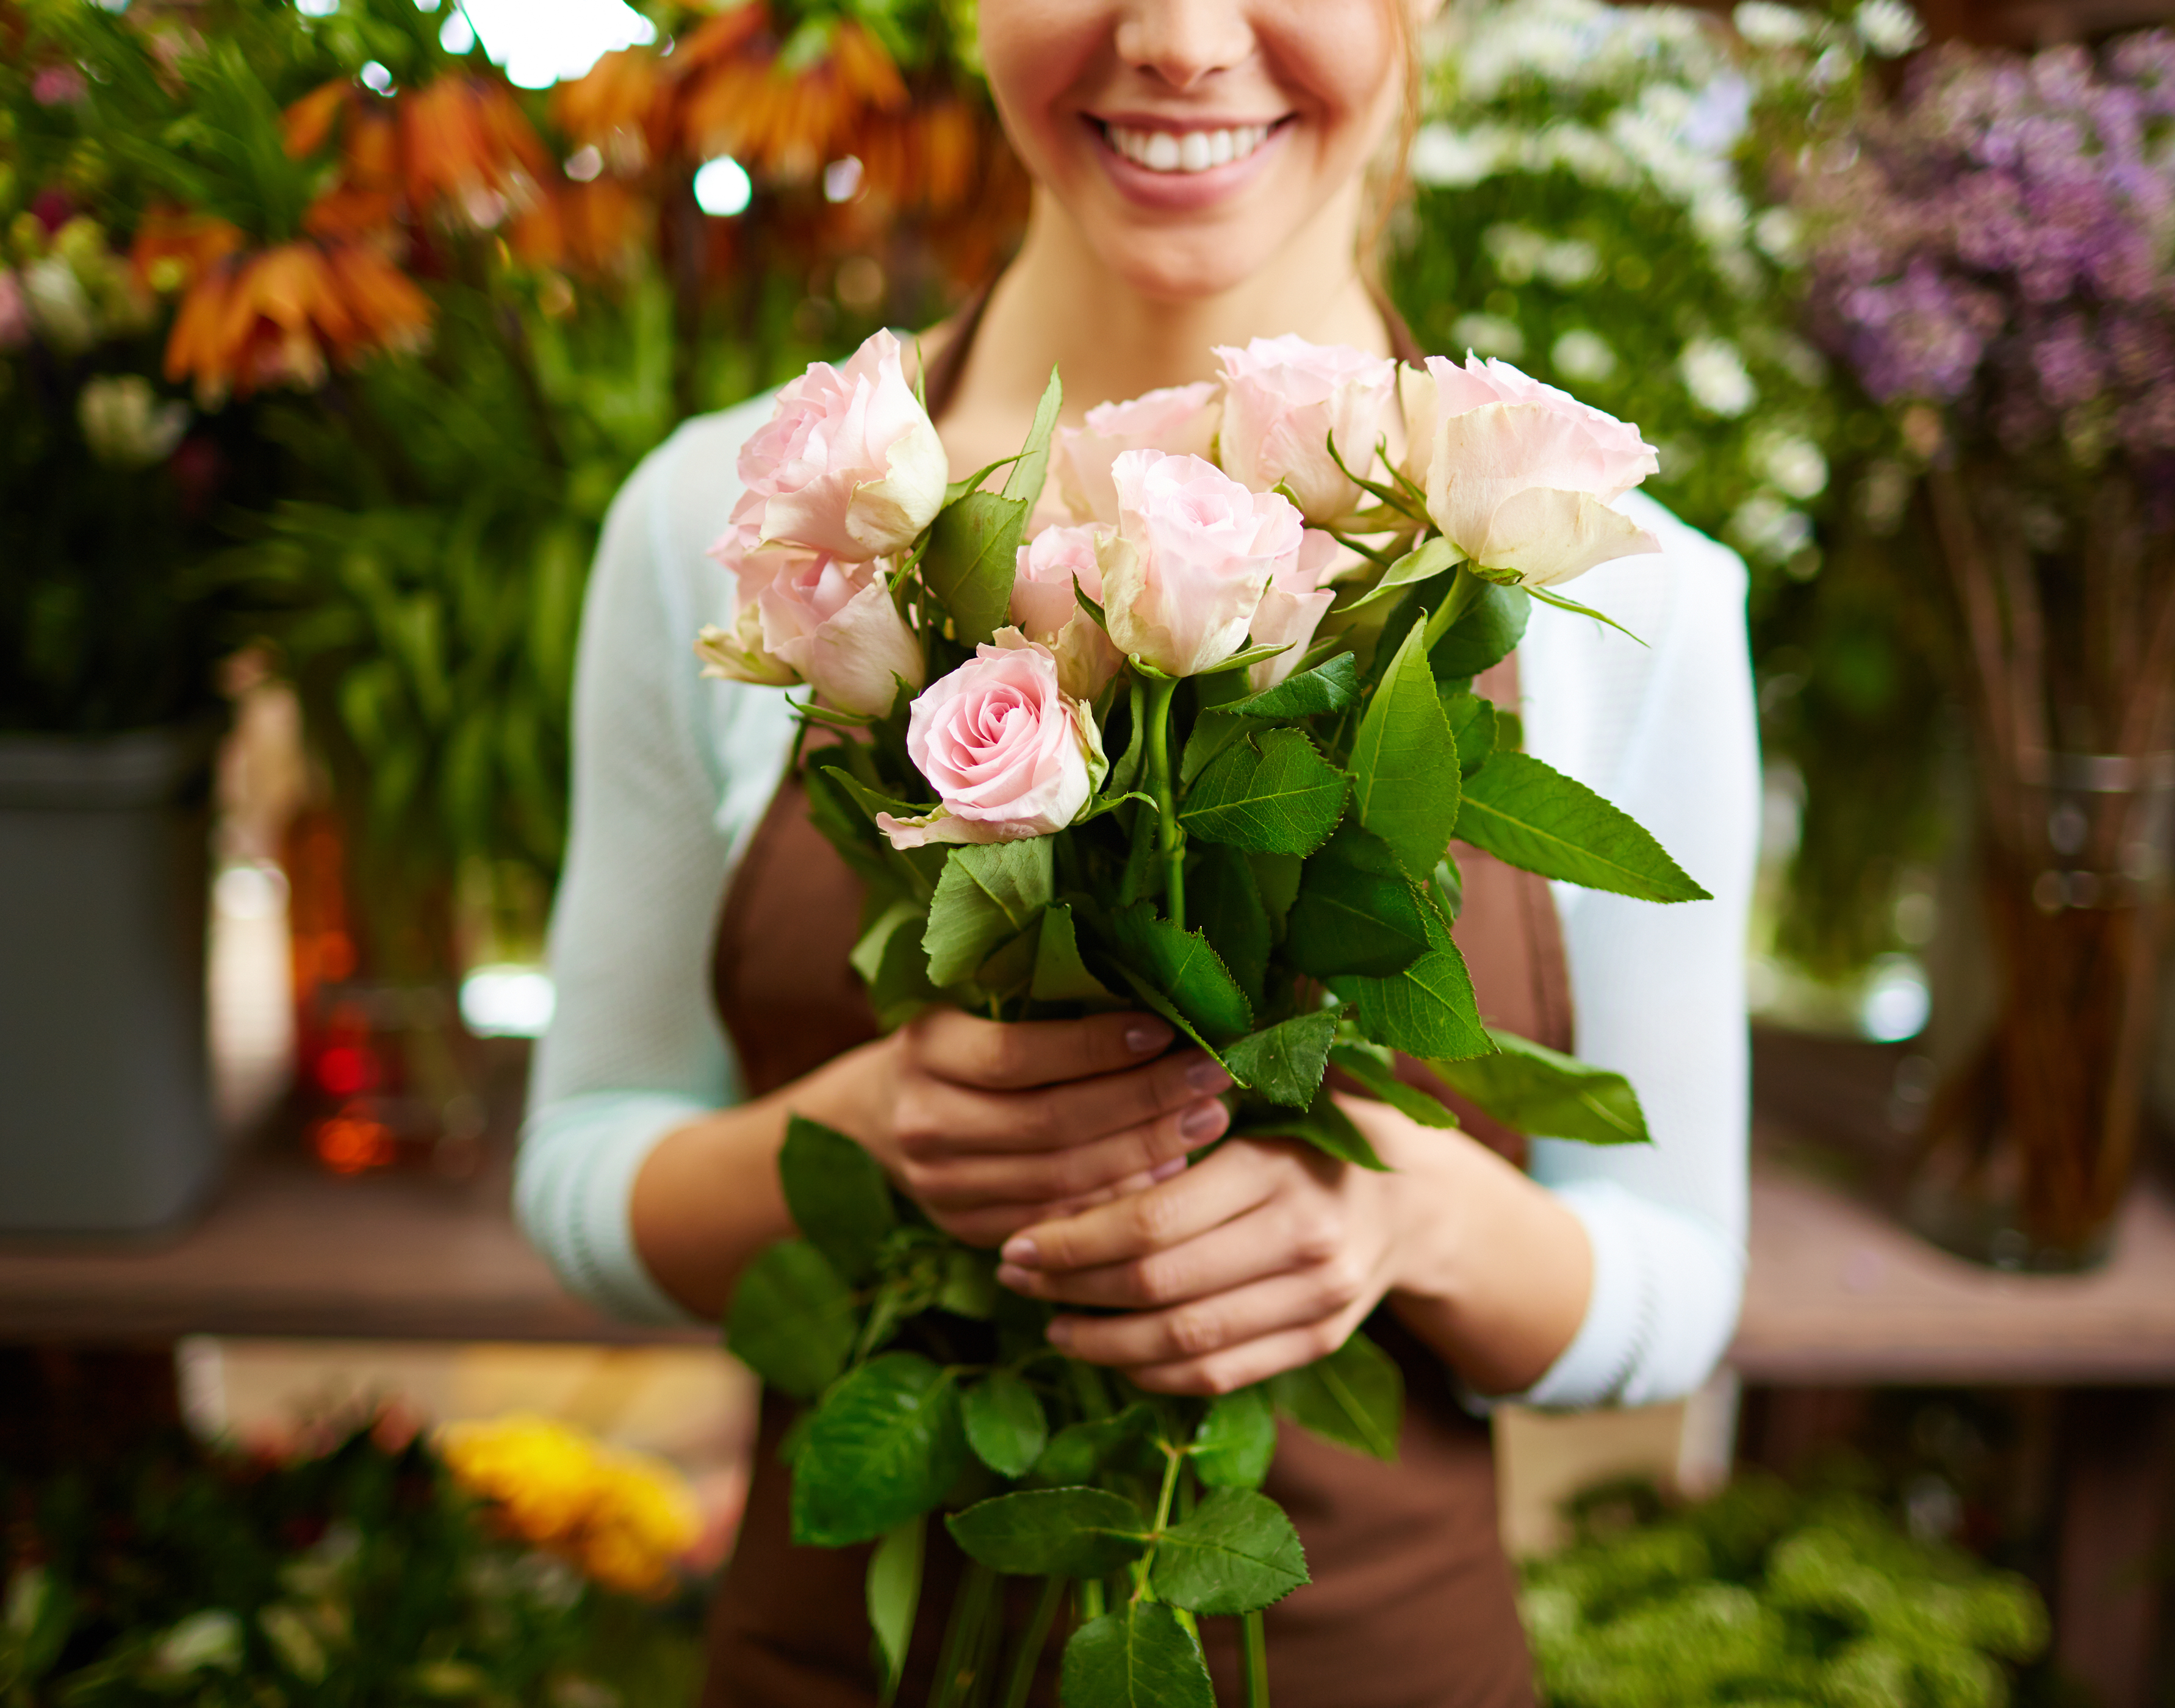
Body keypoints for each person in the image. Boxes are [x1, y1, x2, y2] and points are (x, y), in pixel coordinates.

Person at [518, 1, 1758, 1701]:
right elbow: (587, 1169)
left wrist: (1409, 1222)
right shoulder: (727, 527)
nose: (1179, 40)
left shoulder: (1616, 574)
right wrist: (865, 1135)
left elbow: (1675, 1283)